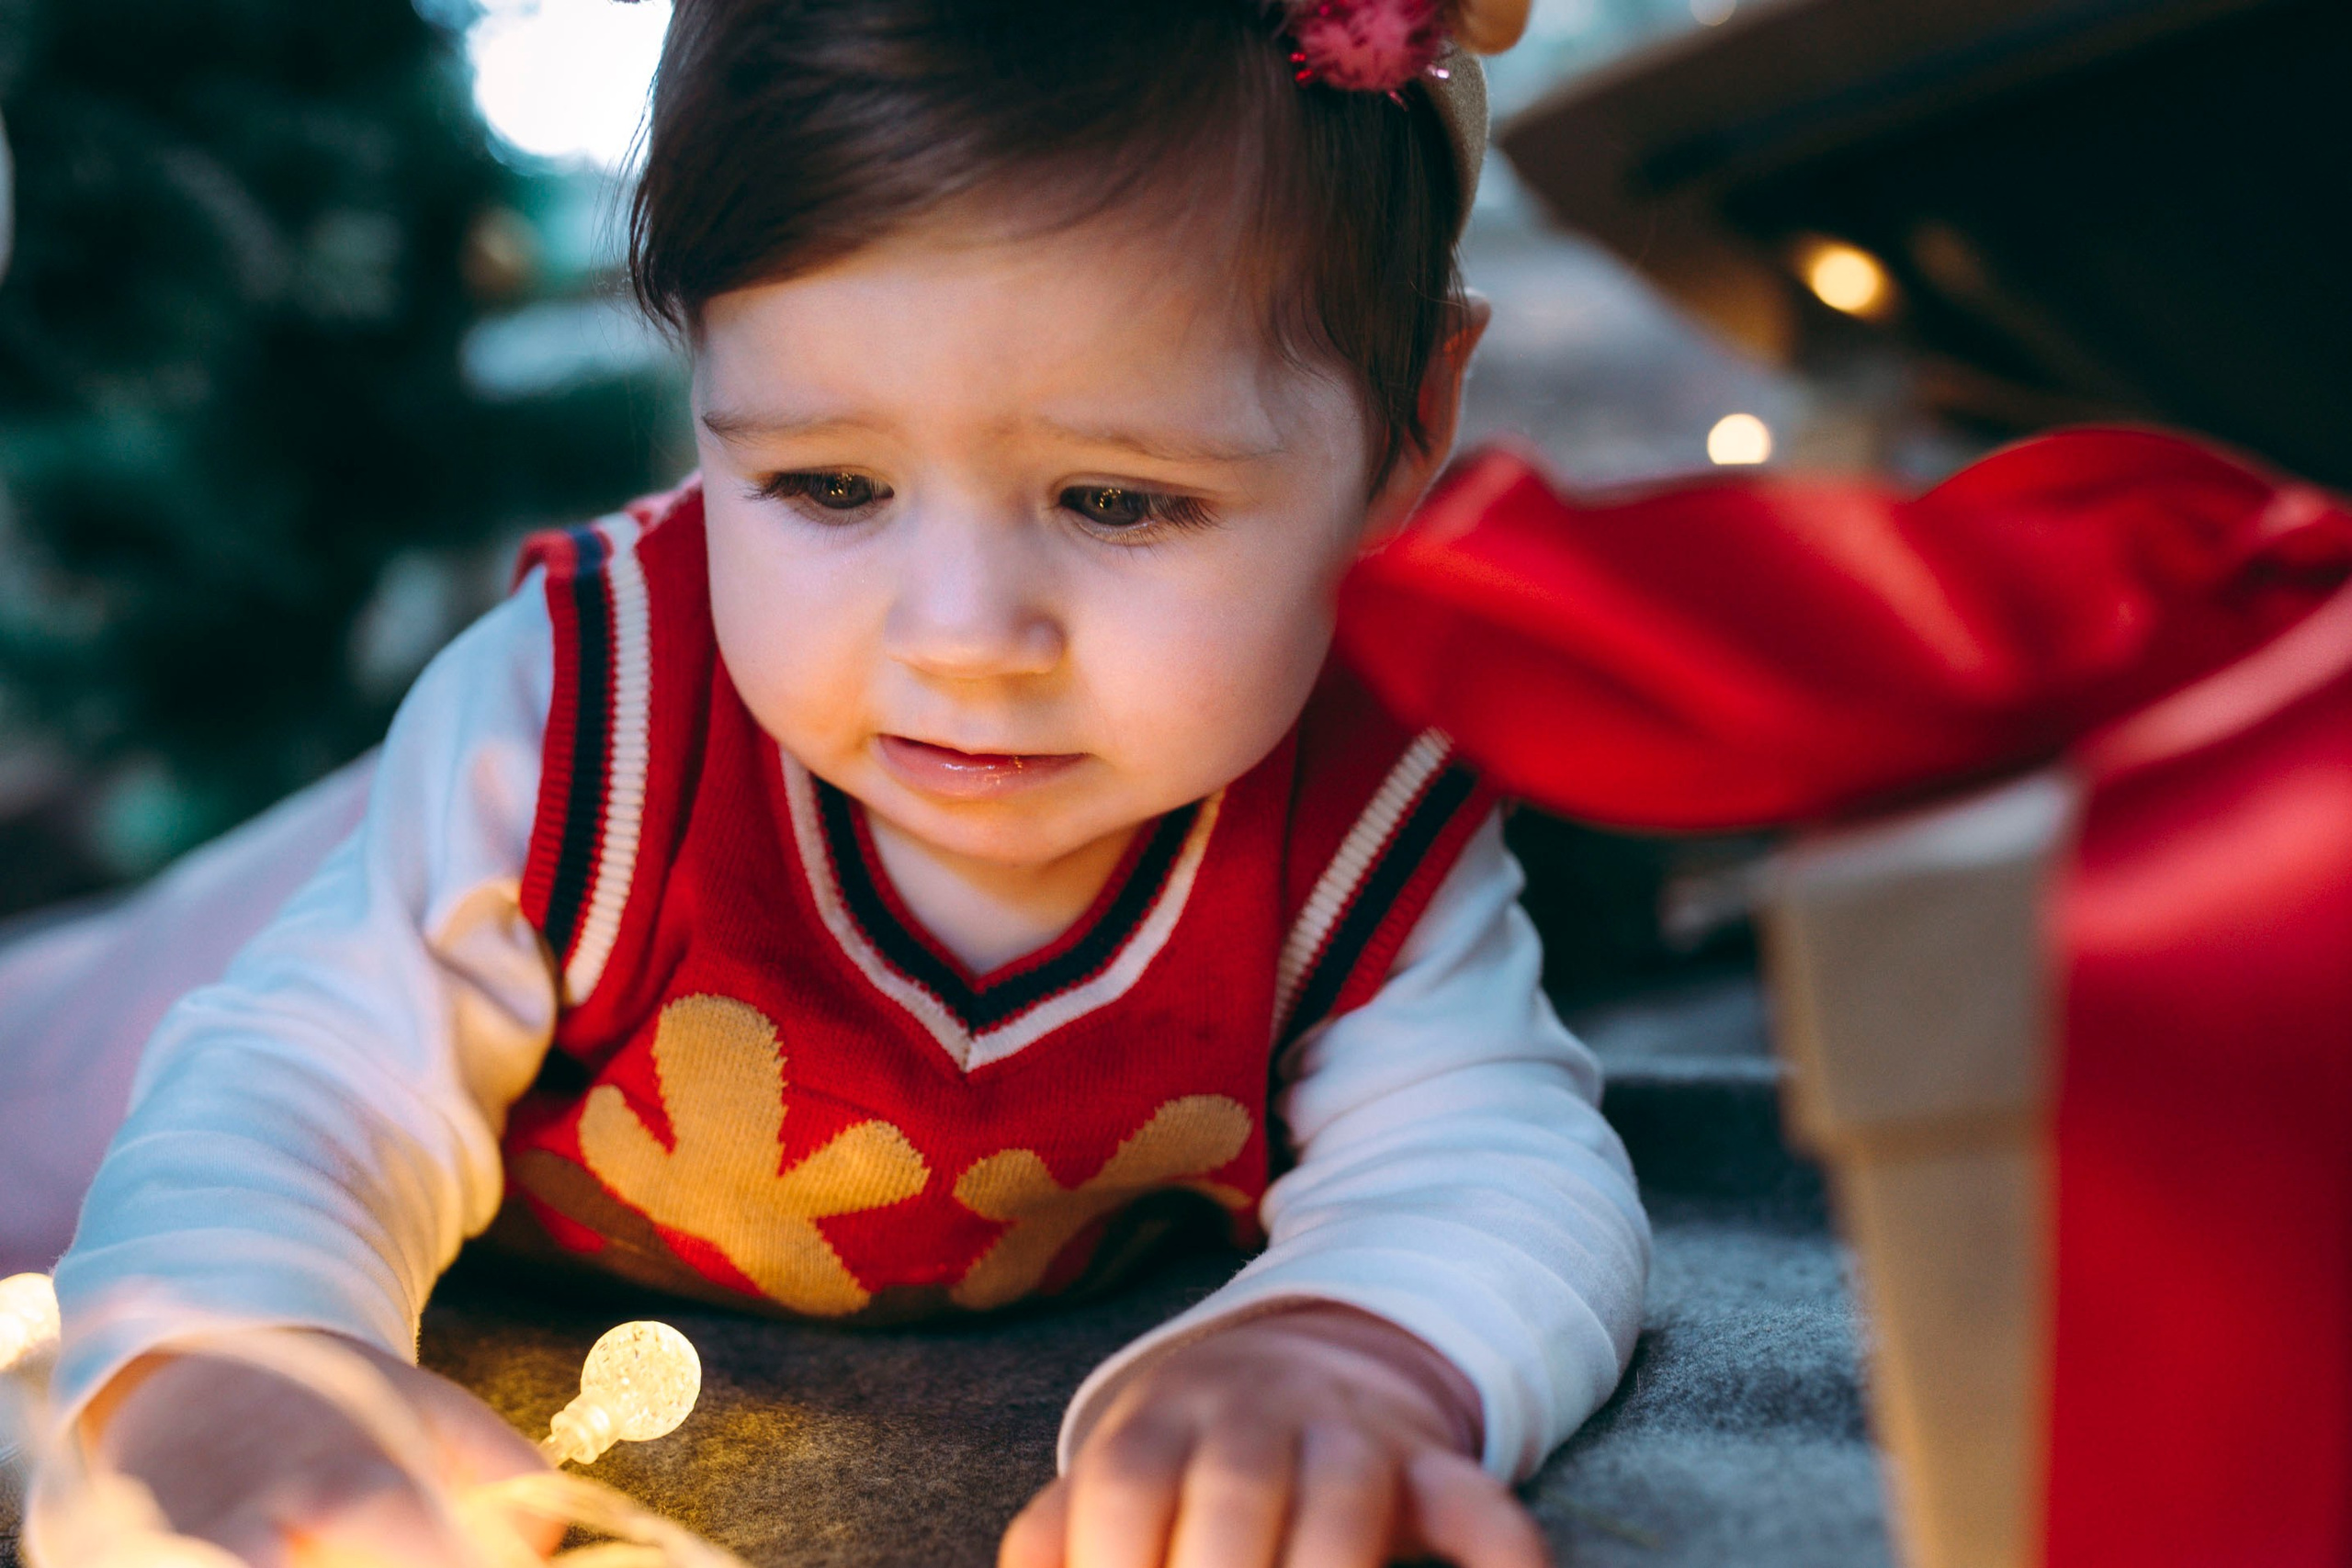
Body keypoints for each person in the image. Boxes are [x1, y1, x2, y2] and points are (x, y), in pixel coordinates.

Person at [31, 3, 1650, 1564]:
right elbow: (290, 1089)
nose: (962, 640)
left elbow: (1491, 1150)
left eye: (1118, 501)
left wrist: (1345, 1359)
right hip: (260, 939)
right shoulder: (573, 722)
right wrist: (232, 1378)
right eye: (827, 484)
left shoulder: (1365, 805)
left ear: (1413, 416)